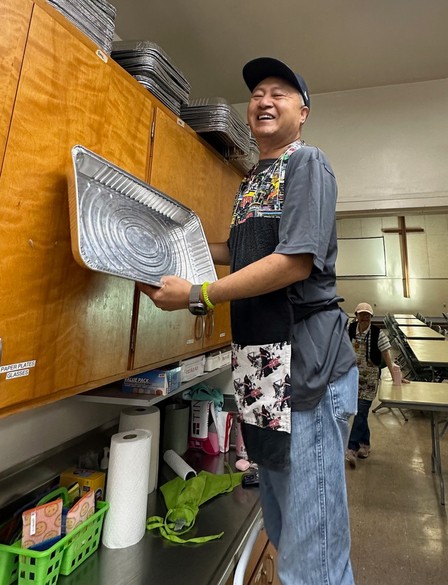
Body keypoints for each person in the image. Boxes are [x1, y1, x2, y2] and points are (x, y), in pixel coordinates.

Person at [138, 57, 358, 585]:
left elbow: (293, 262)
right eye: (257, 93)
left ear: (303, 113)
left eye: (279, 93)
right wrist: (173, 245)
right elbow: (241, 251)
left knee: (313, 550)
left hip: (306, 369)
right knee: (283, 528)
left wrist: (198, 294)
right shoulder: (253, 180)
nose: (264, 100)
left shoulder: (307, 163)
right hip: (261, 370)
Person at [345, 302, 408, 468]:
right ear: (356, 316)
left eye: (367, 315)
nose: (364, 317)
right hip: (352, 379)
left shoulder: (377, 334)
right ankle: (365, 445)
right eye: (361, 314)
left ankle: (352, 448)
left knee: (361, 412)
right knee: (361, 413)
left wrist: (396, 376)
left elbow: (387, 357)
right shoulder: (350, 329)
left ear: (371, 317)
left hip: (370, 381)